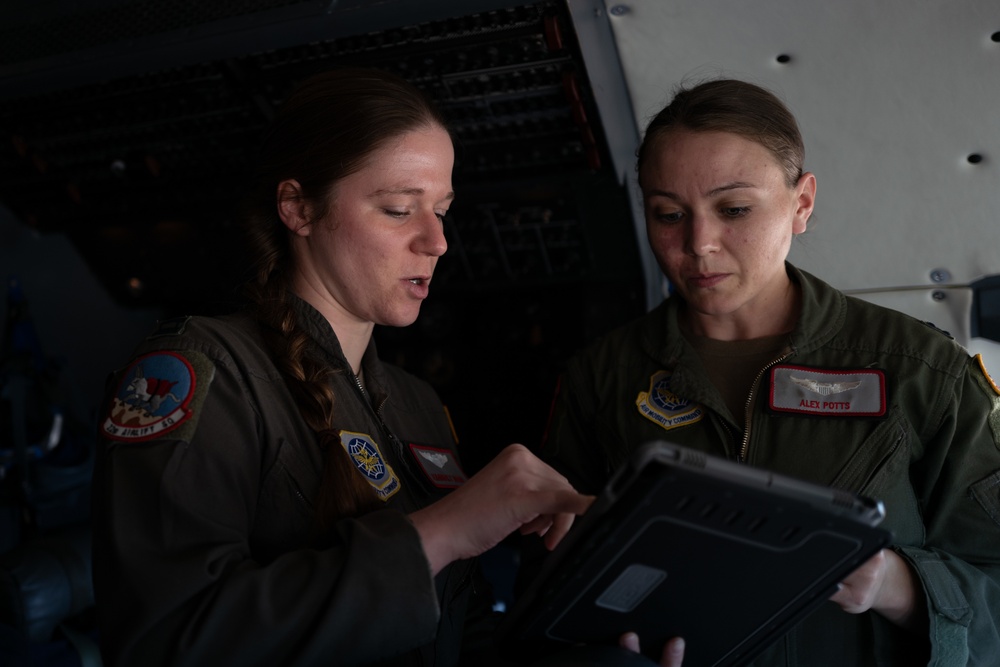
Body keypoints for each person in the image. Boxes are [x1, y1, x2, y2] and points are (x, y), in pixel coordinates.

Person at [90, 67, 684, 667]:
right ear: (298, 209)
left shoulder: (415, 402)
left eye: (442, 210)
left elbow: (464, 632)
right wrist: (445, 529)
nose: (437, 240)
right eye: (399, 209)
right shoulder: (206, 372)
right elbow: (163, 642)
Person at [539, 78, 1000, 665]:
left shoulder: (920, 372)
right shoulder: (601, 379)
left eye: (734, 209)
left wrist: (894, 584)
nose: (699, 243)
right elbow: (551, 594)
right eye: (668, 213)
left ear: (802, 203)